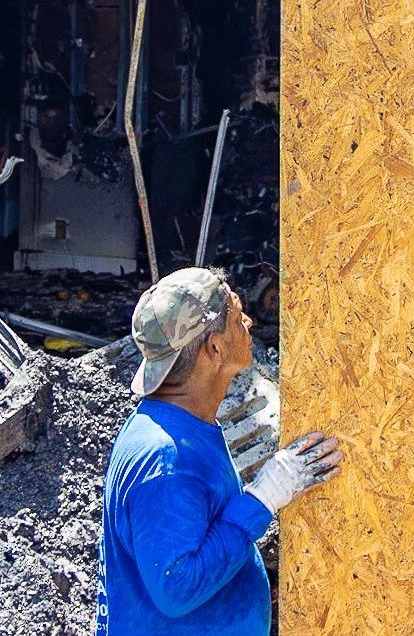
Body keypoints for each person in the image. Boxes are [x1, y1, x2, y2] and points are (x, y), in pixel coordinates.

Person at [96, 268, 342, 635]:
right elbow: (175, 587)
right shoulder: (167, 461)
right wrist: (263, 498)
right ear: (214, 348)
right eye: (236, 316)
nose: (249, 321)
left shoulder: (182, 424)